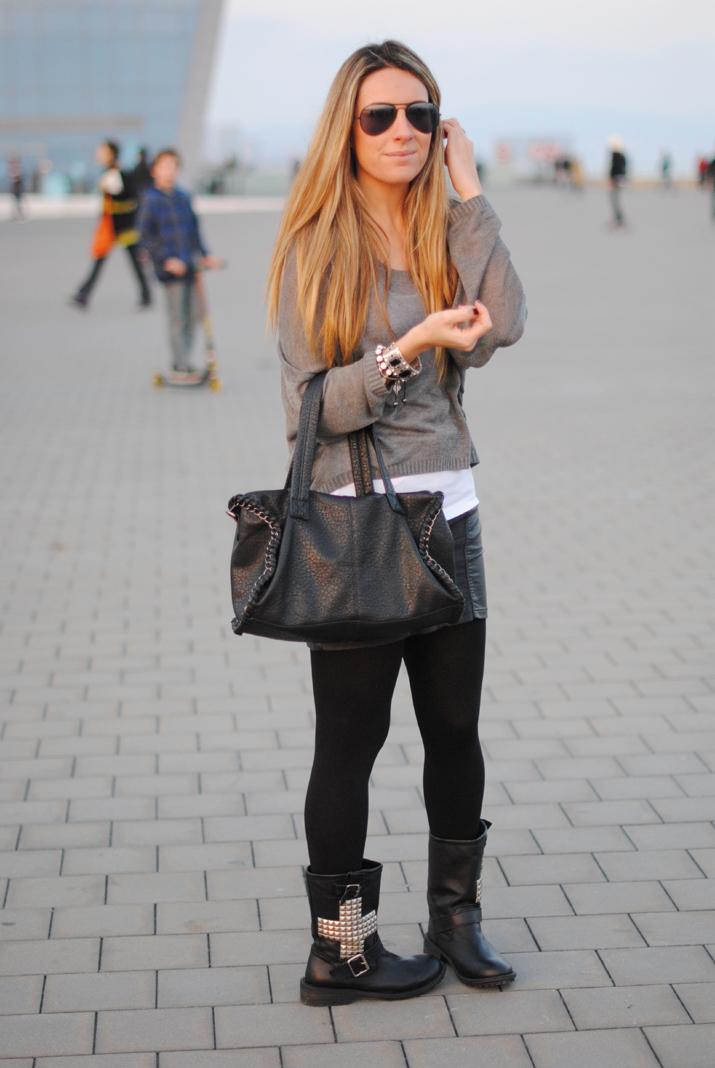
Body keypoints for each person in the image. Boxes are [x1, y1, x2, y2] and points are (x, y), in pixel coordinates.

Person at [266, 39, 528, 1006]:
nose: (402, 132)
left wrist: (469, 191)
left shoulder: (439, 229)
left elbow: (502, 318)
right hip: (358, 530)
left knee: (455, 728)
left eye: (420, 114)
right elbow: (310, 408)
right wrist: (411, 343)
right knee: (350, 742)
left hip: (449, 514)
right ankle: (340, 950)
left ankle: (454, 919)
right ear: (348, 126)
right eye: (380, 116)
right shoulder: (312, 247)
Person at [138, 148, 222, 377]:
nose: (169, 171)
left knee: (195, 315)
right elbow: (146, 237)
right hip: (170, 270)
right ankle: (180, 363)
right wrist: (165, 260)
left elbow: (194, 231)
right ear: (155, 170)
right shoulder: (150, 200)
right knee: (178, 317)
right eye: (165, 166)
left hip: (191, 267)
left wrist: (205, 254)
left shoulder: (183, 197)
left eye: (173, 166)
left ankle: (185, 360)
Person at [69, 140, 151, 309]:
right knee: (101, 258)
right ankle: (83, 294)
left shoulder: (118, 174)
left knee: (133, 261)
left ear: (111, 153)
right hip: (112, 225)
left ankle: (146, 294)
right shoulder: (111, 173)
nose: (98, 154)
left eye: (102, 151)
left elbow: (129, 197)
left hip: (123, 225)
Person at [607, 134, 628, 228]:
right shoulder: (622, 155)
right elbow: (624, 169)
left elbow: (614, 169)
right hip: (621, 180)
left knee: (615, 200)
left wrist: (612, 180)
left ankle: (619, 219)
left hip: (616, 180)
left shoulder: (615, 155)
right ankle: (619, 219)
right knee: (618, 200)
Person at [8, 157, 25, 221]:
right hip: (15, 190)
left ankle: (20, 215)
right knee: (16, 203)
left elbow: (17, 179)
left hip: (18, 189)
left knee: (19, 203)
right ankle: (17, 215)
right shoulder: (13, 169)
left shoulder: (18, 170)